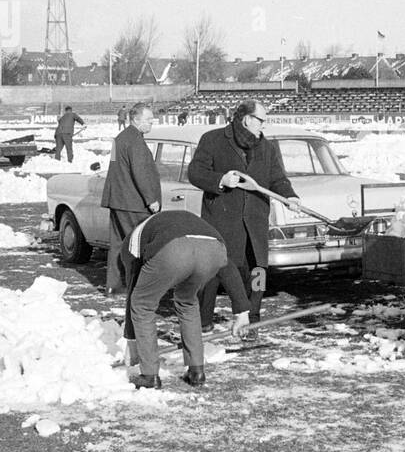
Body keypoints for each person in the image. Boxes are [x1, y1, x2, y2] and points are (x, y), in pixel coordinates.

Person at [188, 99, 300, 329]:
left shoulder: (266, 147)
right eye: (261, 120)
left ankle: (252, 321)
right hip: (223, 221)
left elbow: (277, 178)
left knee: (257, 273)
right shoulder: (213, 139)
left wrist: (290, 196)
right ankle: (203, 323)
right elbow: (195, 172)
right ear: (247, 119)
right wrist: (220, 179)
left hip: (255, 222)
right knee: (214, 272)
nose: (264, 126)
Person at [121, 210, 251, 389]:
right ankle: (196, 371)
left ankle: (149, 375)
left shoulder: (130, 244)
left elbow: (133, 294)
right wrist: (242, 312)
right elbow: (227, 267)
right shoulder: (169, 222)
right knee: (187, 301)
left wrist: (132, 341)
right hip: (214, 249)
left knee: (142, 304)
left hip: (174, 249)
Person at [101, 104, 161, 293]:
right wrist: (151, 199)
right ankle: (137, 288)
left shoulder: (119, 139)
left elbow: (115, 168)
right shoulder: (136, 141)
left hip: (117, 200)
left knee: (118, 244)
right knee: (137, 245)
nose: (152, 123)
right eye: (149, 120)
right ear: (136, 119)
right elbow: (140, 173)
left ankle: (114, 285)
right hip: (134, 203)